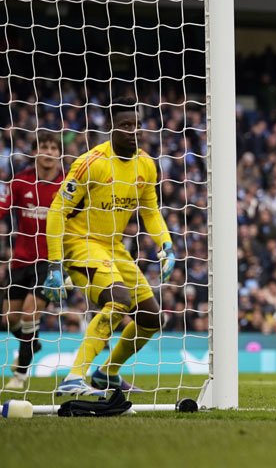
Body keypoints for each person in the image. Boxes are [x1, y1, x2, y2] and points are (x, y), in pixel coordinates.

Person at [43, 101, 176, 395]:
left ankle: (107, 374)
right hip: (81, 243)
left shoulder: (146, 164)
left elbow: (150, 211)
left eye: (136, 125)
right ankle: (74, 378)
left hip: (113, 247)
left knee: (151, 317)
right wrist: (54, 264)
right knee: (118, 299)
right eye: (126, 125)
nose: (133, 131)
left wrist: (166, 243)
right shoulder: (91, 162)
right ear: (111, 128)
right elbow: (56, 211)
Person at [0, 132, 64, 390]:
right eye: (43, 147)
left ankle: (21, 375)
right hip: (20, 261)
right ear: (35, 153)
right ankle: (32, 342)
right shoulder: (20, 182)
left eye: (53, 148)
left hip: (50, 261)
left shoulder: (66, 186)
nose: (48, 152)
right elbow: (2, 210)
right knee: (9, 320)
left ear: (59, 154)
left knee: (29, 313)